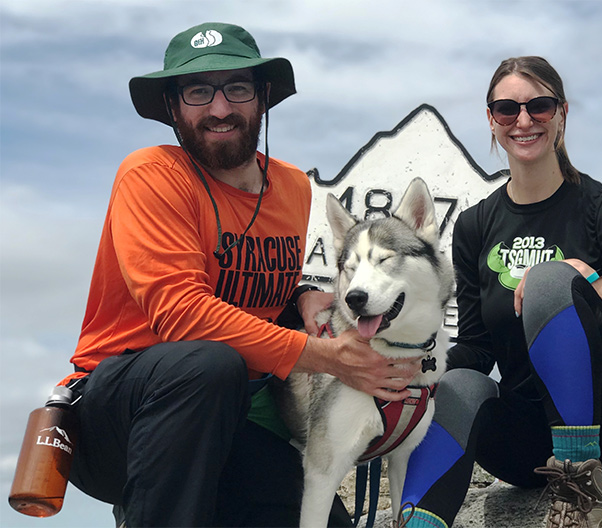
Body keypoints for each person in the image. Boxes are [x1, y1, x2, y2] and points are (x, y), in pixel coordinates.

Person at [57, 22, 421, 527]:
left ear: (263, 97)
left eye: (238, 88)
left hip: (230, 421)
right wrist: (326, 357)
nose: (220, 108)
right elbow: (183, 315)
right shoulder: (150, 175)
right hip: (120, 415)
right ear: (172, 106)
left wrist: (303, 295)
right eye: (198, 91)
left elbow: (236, 282)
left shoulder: (293, 187)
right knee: (210, 364)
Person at [395, 56, 602, 528]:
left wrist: (583, 274)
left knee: (551, 279)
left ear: (562, 113)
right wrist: (410, 363)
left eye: (539, 106)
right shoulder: (474, 226)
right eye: (507, 109)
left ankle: (583, 496)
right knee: (456, 384)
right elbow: (478, 350)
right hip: (533, 446)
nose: (523, 120)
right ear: (491, 120)